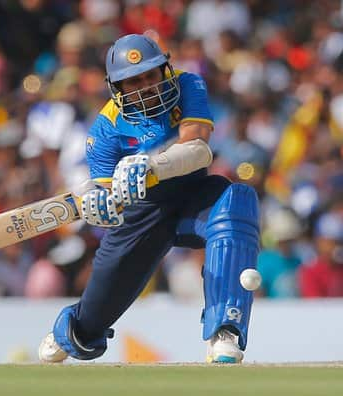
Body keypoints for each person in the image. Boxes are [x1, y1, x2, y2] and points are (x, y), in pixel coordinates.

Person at [38, 33, 260, 364]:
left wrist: (152, 165)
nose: (145, 86)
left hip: (192, 197)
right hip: (143, 214)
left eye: (150, 75)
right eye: (133, 81)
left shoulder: (188, 85)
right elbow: (106, 196)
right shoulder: (105, 129)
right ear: (117, 88)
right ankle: (72, 328)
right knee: (87, 329)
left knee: (236, 201)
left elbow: (198, 149)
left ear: (164, 70)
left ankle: (224, 330)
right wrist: (100, 207)